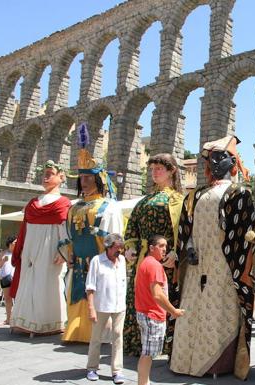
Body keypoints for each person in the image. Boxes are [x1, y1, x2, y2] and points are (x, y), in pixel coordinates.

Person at [170, 135, 255, 379]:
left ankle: (214, 365)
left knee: (218, 313)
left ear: (232, 164)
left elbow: (245, 233)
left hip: (224, 267)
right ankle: (187, 361)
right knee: (195, 311)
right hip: (197, 264)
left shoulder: (238, 193)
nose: (215, 164)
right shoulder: (194, 195)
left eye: (221, 158)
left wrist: (235, 268)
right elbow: (184, 228)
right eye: (212, 159)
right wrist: (187, 247)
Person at [63, 136, 124, 343]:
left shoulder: (109, 206)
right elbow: (70, 236)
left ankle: (99, 335)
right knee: (77, 295)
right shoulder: (74, 206)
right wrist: (69, 254)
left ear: (99, 180)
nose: (84, 181)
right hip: (79, 262)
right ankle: (75, 332)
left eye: (89, 178)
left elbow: (116, 237)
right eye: (81, 178)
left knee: (99, 298)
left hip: (100, 262)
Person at [123, 153, 183, 356]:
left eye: (159, 169)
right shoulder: (145, 199)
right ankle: (136, 342)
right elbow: (132, 227)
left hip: (165, 259)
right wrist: (129, 247)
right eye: (152, 169)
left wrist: (176, 252)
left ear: (171, 171)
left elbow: (184, 230)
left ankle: (164, 344)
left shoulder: (178, 200)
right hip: (142, 259)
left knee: (162, 298)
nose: (154, 173)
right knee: (138, 299)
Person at [9, 160, 71, 336]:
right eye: (44, 174)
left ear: (61, 177)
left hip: (50, 250)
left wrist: (64, 252)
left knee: (48, 283)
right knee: (28, 282)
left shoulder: (63, 203)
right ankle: (22, 321)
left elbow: (65, 230)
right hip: (30, 248)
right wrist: (21, 249)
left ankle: (48, 323)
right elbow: (25, 229)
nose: (45, 177)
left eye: (50, 173)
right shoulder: (33, 203)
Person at [135, 235, 184, 385]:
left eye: (166, 246)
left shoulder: (147, 263)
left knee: (147, 352)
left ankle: (145, 382)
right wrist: (174, 311)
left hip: (145, 313)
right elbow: (157, 295)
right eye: (161, 246)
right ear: (151, 247)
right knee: (148, 354)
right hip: (152, 315)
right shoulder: (154, 265)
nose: (165, 249)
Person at [85, 233, 127, 384]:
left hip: (119, 306)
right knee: (96, 337)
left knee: (117, 337)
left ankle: (117, 370)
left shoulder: (122, 260)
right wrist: (91, 308)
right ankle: (92, 367)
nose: (120, 251)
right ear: (108, 247)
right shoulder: (97, 261)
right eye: (117, 248)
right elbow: (90, 286)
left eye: (121, 248)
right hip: (101, 305)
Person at [0, 235, 16, 326]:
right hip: (6, 278)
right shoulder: (3, 253)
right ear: (10, 244)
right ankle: (8, 319)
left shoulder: (19, 253)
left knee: (19, 299)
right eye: (15, 242)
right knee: (8, 299)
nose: (16, 244)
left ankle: (17, 319)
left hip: (16, 278)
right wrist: (3, 261)